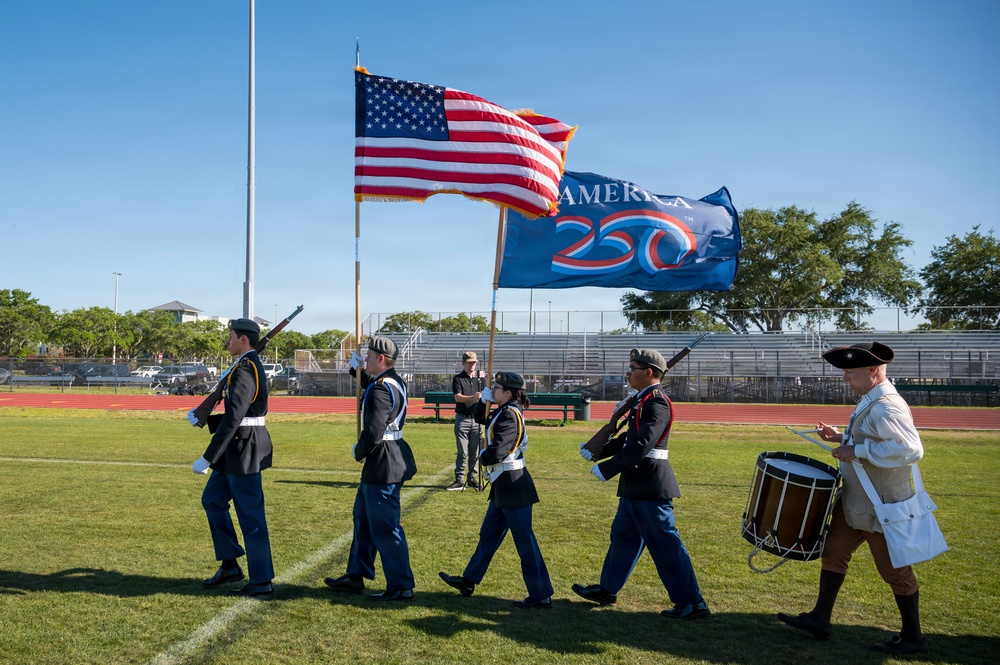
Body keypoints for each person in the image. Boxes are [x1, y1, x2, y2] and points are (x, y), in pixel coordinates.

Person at [777, 341, 928, 654]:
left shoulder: (887, 404)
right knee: (833, 553)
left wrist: (856, 450)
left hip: (881, 505)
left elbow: (911, 449)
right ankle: (820, 618)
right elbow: (872, 438)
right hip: (855, 501)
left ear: (873, 371)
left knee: (895, 571)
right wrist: (840, 437)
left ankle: (913, 637)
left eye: (850, 371)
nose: (845, 377)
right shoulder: (870, 398)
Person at [572, 348, 710, 620]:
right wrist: (601, 450)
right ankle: (608, 589)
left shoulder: (656, 402)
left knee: (665, 545)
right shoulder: (642, 399)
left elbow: (643, 444)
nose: (628, 372)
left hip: (650, 483)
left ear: (648, 373)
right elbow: (628, 439)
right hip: (636, 483)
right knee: (623, 537)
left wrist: (607, 468)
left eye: (633, 367)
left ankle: (692, 602)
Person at [439, 371, 554, 608]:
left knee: (525, 543)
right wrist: (483, 401)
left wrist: (482, 455)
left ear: (509, 392)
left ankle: (541, 593)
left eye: (498, 388)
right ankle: (469, 580)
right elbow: (479, 417)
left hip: (513, 484)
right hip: (502, 484)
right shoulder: (503, 411)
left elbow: (499, 451)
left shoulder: (510, 415)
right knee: (488, 536)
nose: (495, 391)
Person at [325, 335, 418, 602]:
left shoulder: (380, 389)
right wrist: (357, 371)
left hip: (382, 461)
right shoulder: (392, 381)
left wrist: (358, 450)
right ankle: (356, 575)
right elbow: (371, 388)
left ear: (380, 359)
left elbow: (375, 431)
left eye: (368, 356)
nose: (365, 358)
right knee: (363, 520)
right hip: (386, 459)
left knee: (385, 527)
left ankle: (401, 585)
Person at [190, 318, 275, 597]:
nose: (227, 341)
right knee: (212, 501)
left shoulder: (246, 369)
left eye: (231, 336)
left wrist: (208, 457)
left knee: (251, 517)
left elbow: (236, 416)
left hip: (244, 450)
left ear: (243, 340)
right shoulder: (242, 366)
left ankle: (262, 581)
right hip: (235, 450)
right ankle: (230, 564)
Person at [447, 350, 485, 492]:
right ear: (463, 363)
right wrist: (473, 398)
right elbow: (458, 397)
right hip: (462, 419)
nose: (472, 365)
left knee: (475, 452)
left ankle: (472, 479)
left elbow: (486, 395)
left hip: (477, 420)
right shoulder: (458, 379)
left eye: (474, 363)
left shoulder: (480, 378)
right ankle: (459, 479)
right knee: (463, 451)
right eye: (469, 363)